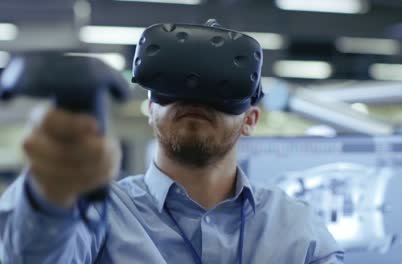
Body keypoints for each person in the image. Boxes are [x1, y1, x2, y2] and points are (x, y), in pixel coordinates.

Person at [0, 23, 344, 264]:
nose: (194, 99)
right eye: (173, 93)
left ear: (250, 121)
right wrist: (51, 199)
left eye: (219, 93)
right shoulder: (100, 216)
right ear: (150, 111)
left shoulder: (297, 230)